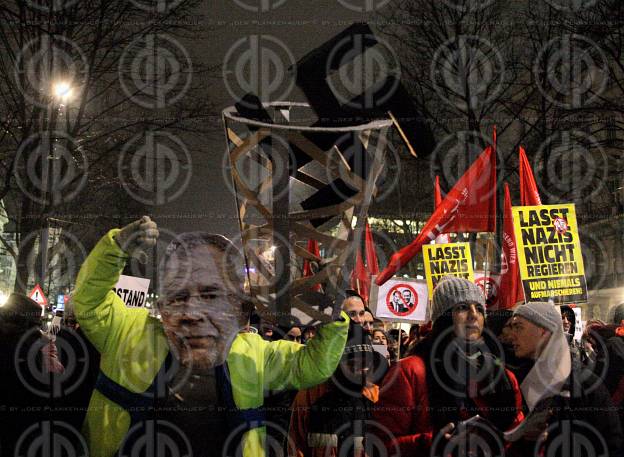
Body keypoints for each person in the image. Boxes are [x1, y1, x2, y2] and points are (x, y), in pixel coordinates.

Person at [73, 217, 350, 457]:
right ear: (162, 307)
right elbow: (89, 301)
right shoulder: (128, 334)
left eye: (210, 296)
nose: (192, 312)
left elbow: (314, 366)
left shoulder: (254, 354)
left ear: (241, 311)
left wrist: (333, 312)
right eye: (178, 296)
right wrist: (116, 247)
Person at [373, 276, 524, 456]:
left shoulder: (503, 375)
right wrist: (431, 443)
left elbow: (513, 431)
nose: (474, 314)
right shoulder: (411, 371)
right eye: (462, 307)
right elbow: (380, 445)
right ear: (443, 318)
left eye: (479, 309)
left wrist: (525, 435)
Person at [509, 301, 624, 456]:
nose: (512, 335)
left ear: (543, 331)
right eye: (511, 327)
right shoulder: (515, 378)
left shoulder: (583, 382)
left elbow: (610, 440)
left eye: (519, 327)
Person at [289, 323, 388, 456]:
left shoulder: (375, 397)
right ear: (336, 364)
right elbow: (295, 447)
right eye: (353, 363)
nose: (362, 370)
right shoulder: (309, 396)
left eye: (366, 363)